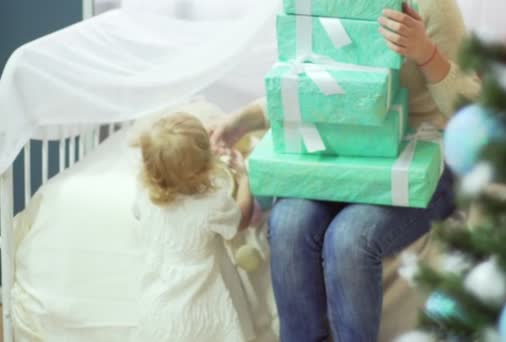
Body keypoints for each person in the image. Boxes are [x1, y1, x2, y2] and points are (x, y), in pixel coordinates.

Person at [210, 1, 481, 341]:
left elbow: (473, 108)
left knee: (350, 240)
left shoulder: (431, 6)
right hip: (344, 158)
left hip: (420, 165)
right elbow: (323, 82)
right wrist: (244, 119)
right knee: (289, 223)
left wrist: (426, 53)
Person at [130, 112, 254, 342]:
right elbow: (241, 219)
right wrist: (244, 179)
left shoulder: (145, 197)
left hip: (160, 307)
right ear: (205, 166)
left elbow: (138, 212)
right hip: (205, 303)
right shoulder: (213, 204)